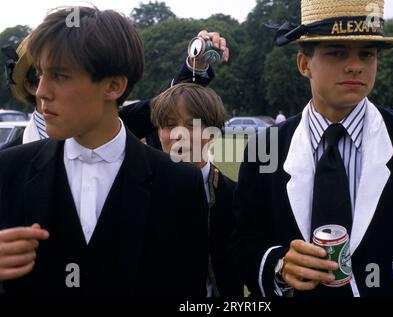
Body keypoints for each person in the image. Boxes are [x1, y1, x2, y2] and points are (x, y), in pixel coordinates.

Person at [232, 0, 393, 297]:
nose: (355, 65)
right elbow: (243, 242)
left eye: (367, 54)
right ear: (304, 64)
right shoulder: (265, 145)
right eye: (337, 52)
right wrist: (279, 266)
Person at [0, 6, 209, 296]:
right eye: (40, 75)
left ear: (113, 86)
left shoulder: (180, 183)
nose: (41, 92)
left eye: (59, 76)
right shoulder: (8, 170)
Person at [1, 30, 229, 150]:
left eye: (61, 74)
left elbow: (165, 106)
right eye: (36, 76)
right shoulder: (7, 163)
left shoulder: (115, 128)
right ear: (27, 86)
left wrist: (195, 65)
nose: (45, 87)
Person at [151, 83, 243, 297]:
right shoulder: (140, 194)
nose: (178, 135)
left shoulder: (235, 198)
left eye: (191, 125)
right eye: (168, 125)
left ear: (212, 133)